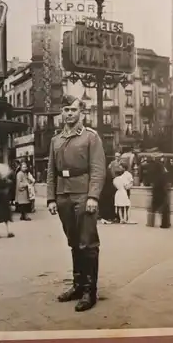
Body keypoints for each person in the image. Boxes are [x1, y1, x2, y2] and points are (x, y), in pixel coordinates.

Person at [47, 94, 106, 312]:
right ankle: (78, 285)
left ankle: (90, 290)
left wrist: (93, 196)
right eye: (65, 110)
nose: (69, 113)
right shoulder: (56, 140)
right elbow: (51, 172)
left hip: (83, 195)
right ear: (61, 113)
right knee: (73, 242)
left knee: (87, 242)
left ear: (81, 112)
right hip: (63, 196)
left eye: (73, 110)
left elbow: (98, 170)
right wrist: (51, 198)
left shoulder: (91, 137)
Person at [147, 155, 171, 229]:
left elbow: (150, 177)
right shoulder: (162, 168)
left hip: (156, 189)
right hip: (162, 190)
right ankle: (165, 224)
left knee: (153, 206)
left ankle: (150, 222)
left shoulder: (153, 167)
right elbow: (165, 178)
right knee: (165, 208)